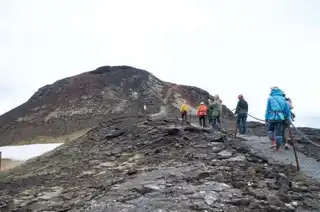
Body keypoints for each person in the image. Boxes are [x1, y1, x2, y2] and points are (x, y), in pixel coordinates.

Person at [265, 87, 292, 152]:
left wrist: (266, 117)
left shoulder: (270, 98)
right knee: (279, 134)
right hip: (280, 118)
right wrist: (289, 119)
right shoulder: (284, 99)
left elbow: (267, 109)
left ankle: (273, 141)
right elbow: (287, 111)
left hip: (272, 118)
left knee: (270, 130)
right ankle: (278, 148)